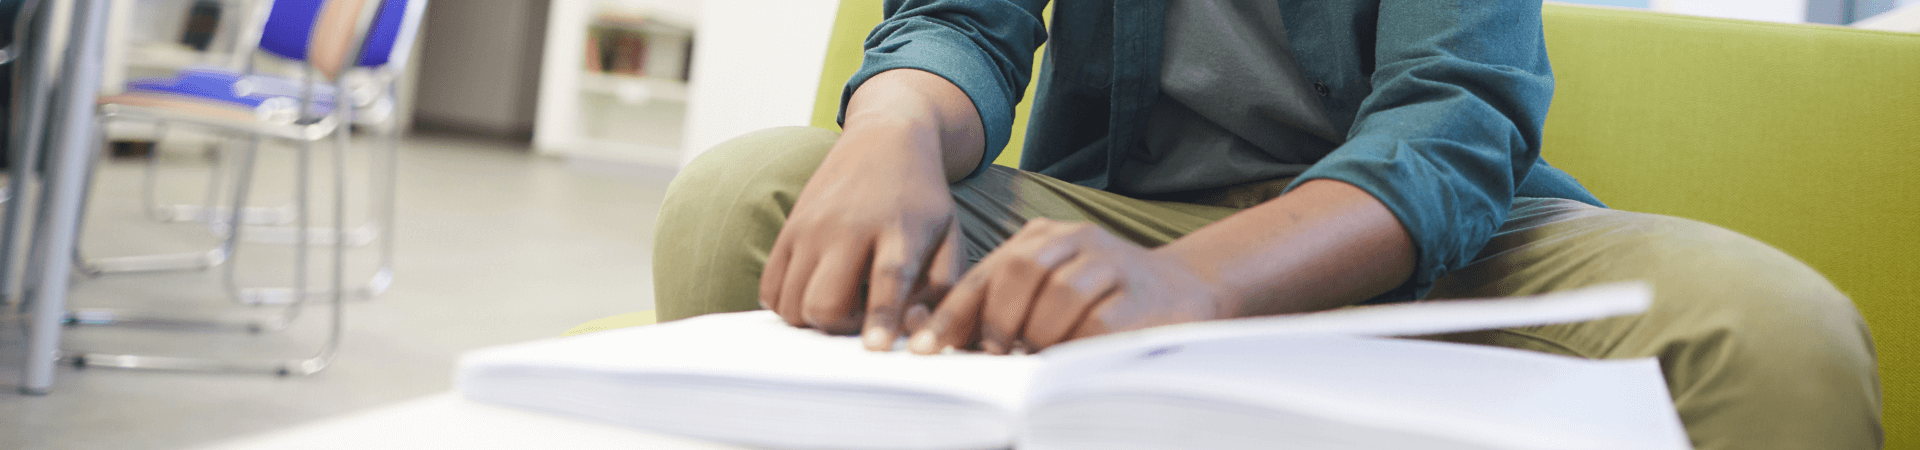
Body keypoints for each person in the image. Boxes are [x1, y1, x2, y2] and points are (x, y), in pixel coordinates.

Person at [651, 1, 1881, 448]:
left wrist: (1202, 286)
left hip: (1412, 250)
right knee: (744, 196)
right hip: (1115, 224)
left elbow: (1454, 117)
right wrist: (893, 131)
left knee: (1771, 336)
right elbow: (961, 23)